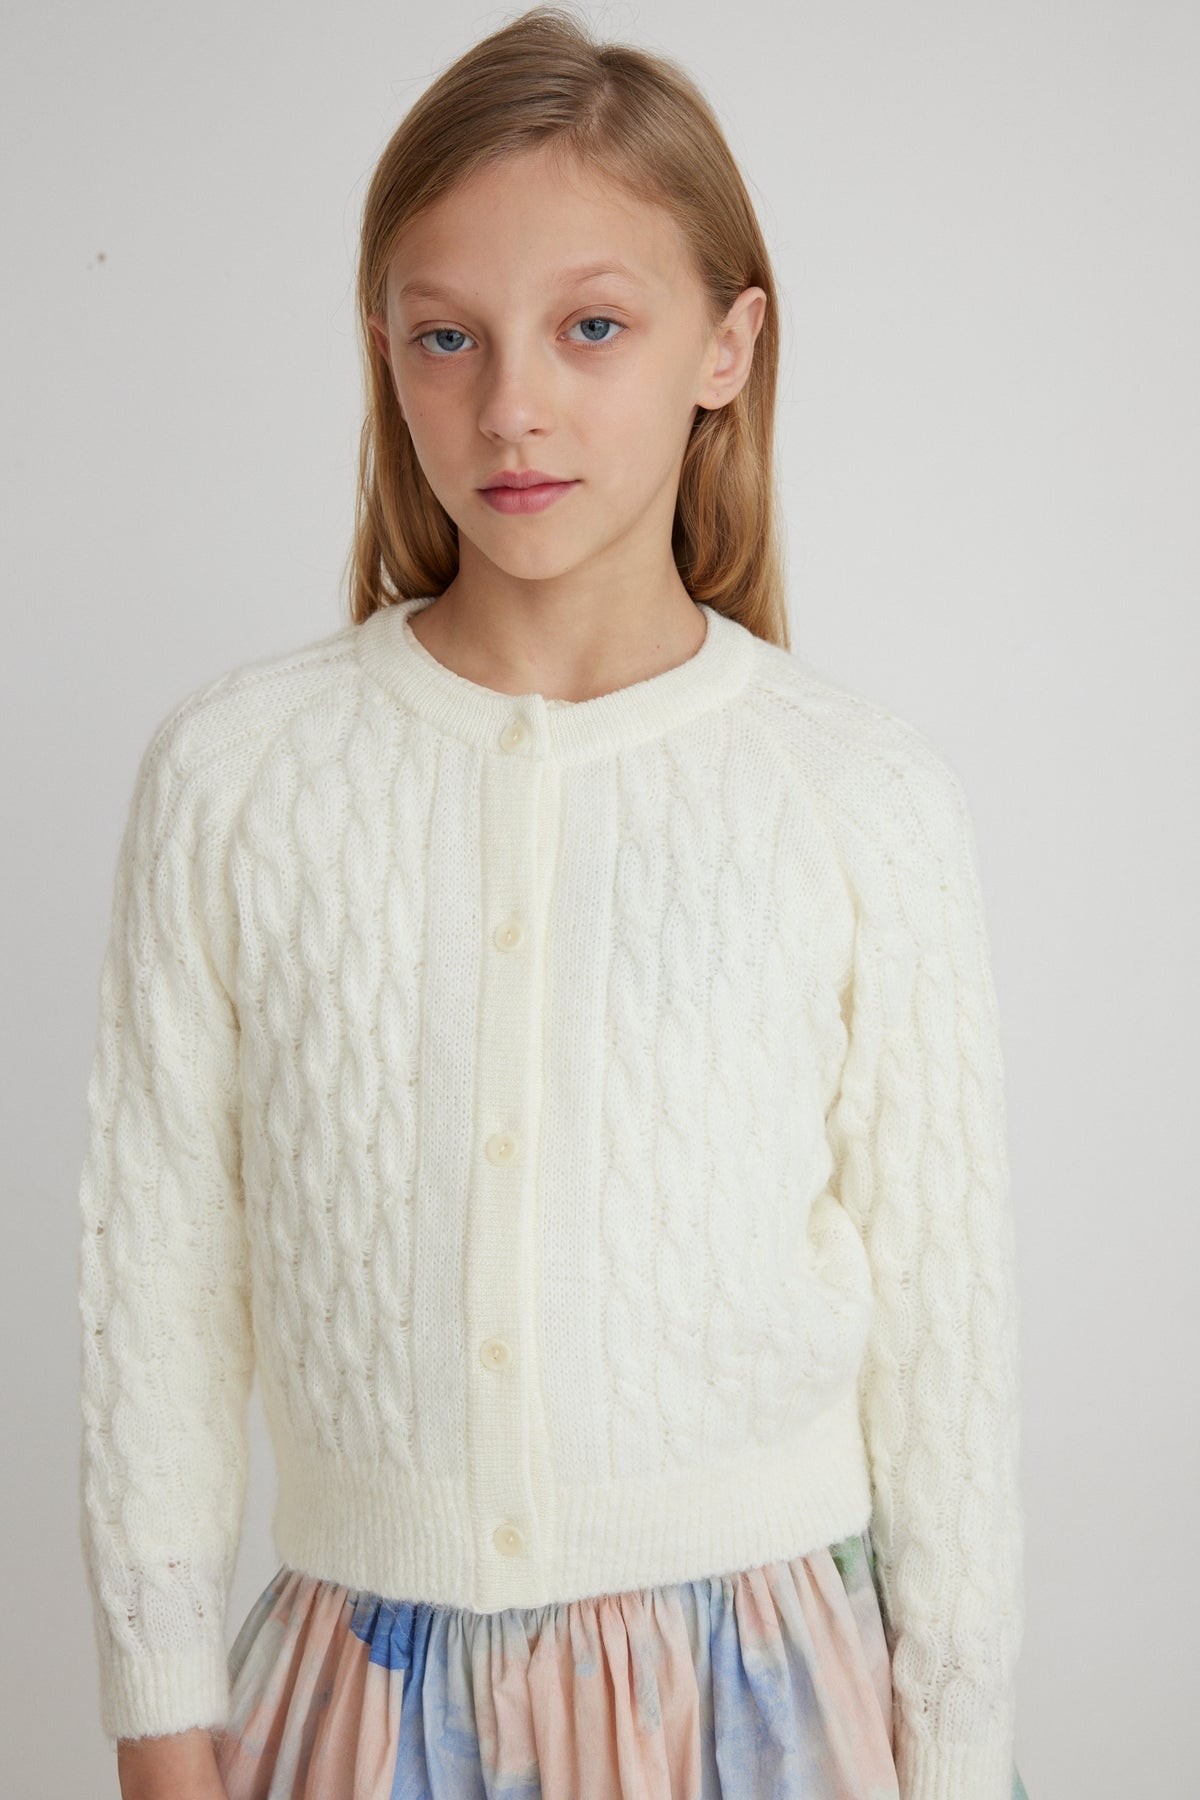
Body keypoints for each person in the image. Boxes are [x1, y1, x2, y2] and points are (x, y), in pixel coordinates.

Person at [75, 8, 1031, 1799]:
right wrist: (160, 1722)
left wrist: (962, 1754)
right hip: (360, 1702)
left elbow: (943, 1340)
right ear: (384, 350)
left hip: (770, 1709)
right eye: (448, 335)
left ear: (727, 346)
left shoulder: (860, 796)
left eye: (593, 326)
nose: (510, 404)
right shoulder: (235, 780)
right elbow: (164, 1287)